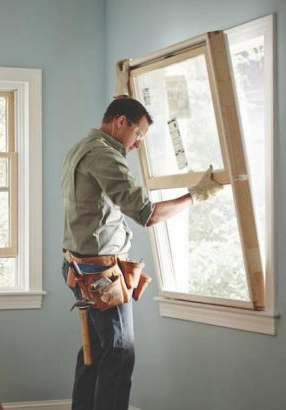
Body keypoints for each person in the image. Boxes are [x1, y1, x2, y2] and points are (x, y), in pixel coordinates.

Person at [60, 97, 222, 410]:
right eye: (139, 134)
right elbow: (147, 214)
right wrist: (196, 195)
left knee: (93, 352)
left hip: (77, 265)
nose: (137, 144)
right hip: (99, 274)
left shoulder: (81, 146)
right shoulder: (104, 155)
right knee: (120, 354)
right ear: (121, 122)